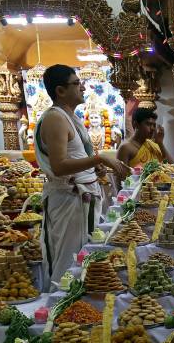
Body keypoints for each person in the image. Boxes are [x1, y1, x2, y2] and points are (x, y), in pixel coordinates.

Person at [35, 64, 131, 289]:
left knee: (84, 255)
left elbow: (75, 157)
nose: (83, 87)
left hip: (83, 197)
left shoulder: (70, 116)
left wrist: (93, 168)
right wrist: (100, 160)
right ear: (60, 91)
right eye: (77, 83)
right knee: (69, 260)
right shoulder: (55, 119)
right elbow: (59, 167)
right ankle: (58, 311)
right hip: (69, 199)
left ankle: (79, 310)